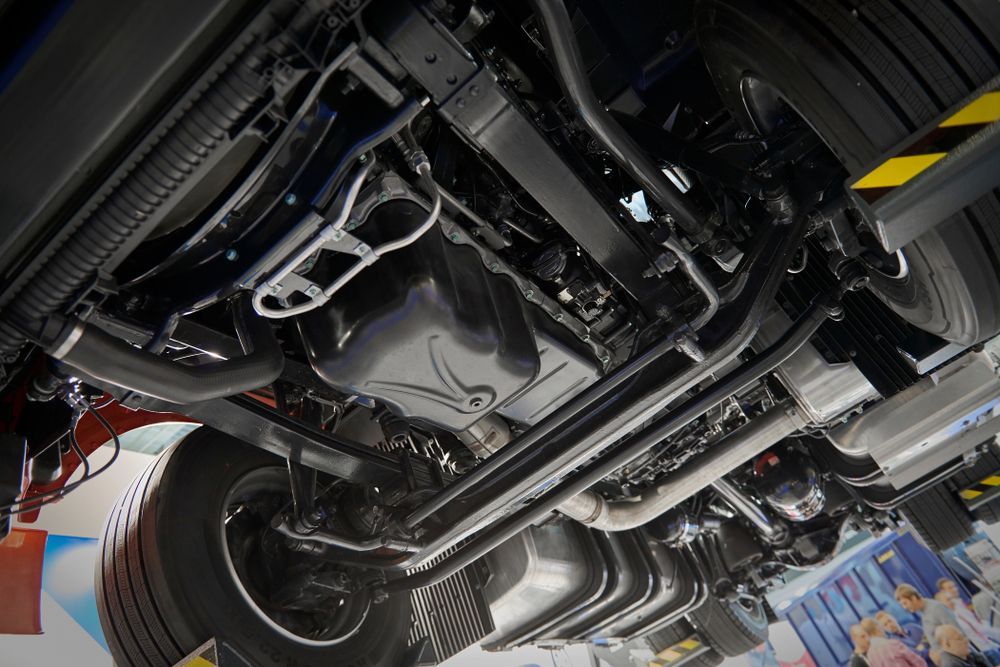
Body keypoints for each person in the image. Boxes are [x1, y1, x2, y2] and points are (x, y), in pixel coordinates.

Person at [936, 590, 1000, 662]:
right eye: (948, 600)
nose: (952, 601)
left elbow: (978, 627)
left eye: (951, 598)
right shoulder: (950, 623)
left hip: (991, 644)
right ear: (941, 604)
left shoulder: (960, 611)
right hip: (982, 650)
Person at [897, 583, 959, 650]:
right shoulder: (923, 612)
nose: (905, 607)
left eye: (905, 603)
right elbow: (931, 631)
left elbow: (957, 631)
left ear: (913, 598)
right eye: (902, 605)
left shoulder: (936, 608)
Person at [859, 616, 926, 667]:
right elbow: (919, 663)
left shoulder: (870, 655)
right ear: (878, 628)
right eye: (883, 626)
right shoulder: (893, 644)